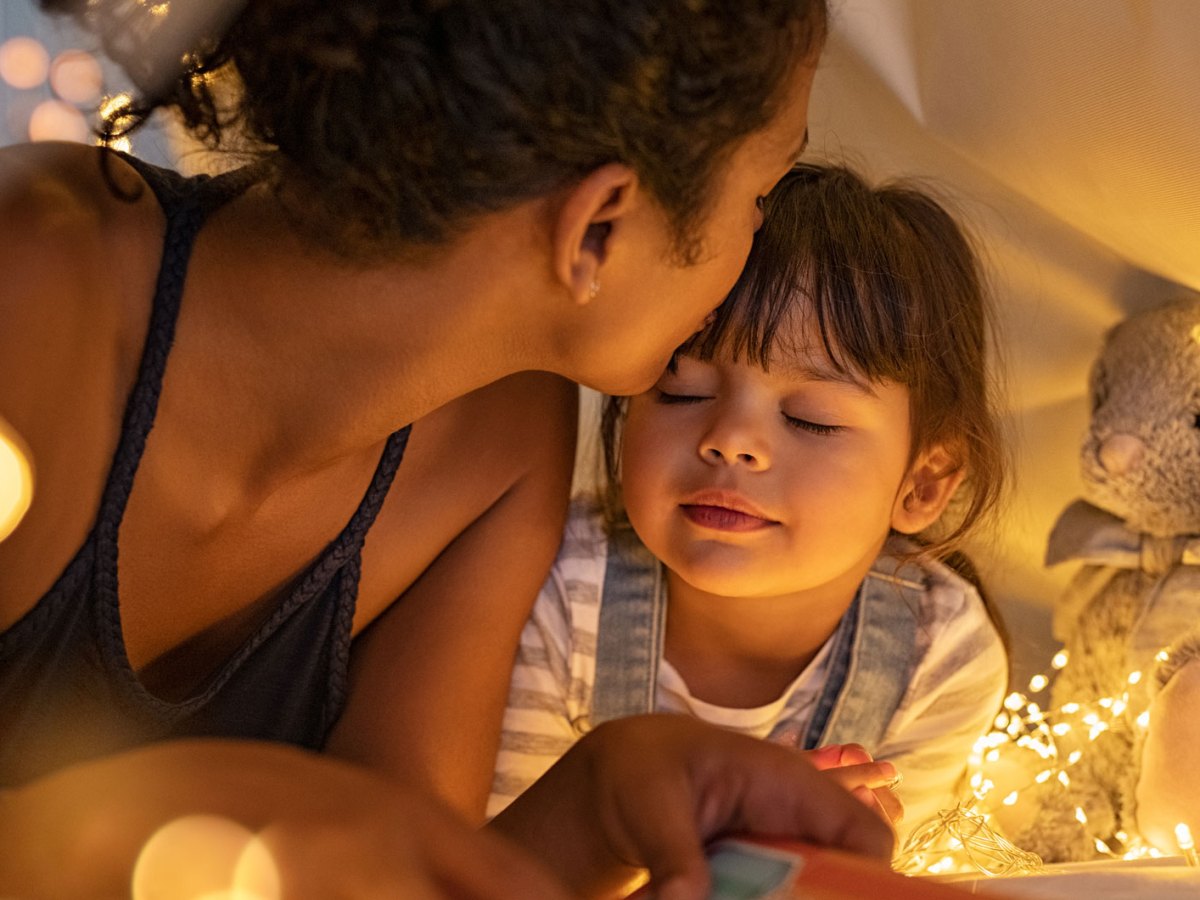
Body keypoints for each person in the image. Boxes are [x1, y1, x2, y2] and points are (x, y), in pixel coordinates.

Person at [0, 1, 899, 897]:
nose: (755, 245)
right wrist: (223, 807)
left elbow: (400, 879)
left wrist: (600, 803)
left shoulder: (501, 446)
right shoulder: (34, 282)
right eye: (760, 196)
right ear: (599, 223)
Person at [489, 163, 1011, 844]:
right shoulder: (557, 589)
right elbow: (499, 868)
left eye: (809, 419)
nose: (731, 441)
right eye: (684, 391)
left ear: (924, 484)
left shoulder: (941, 655)